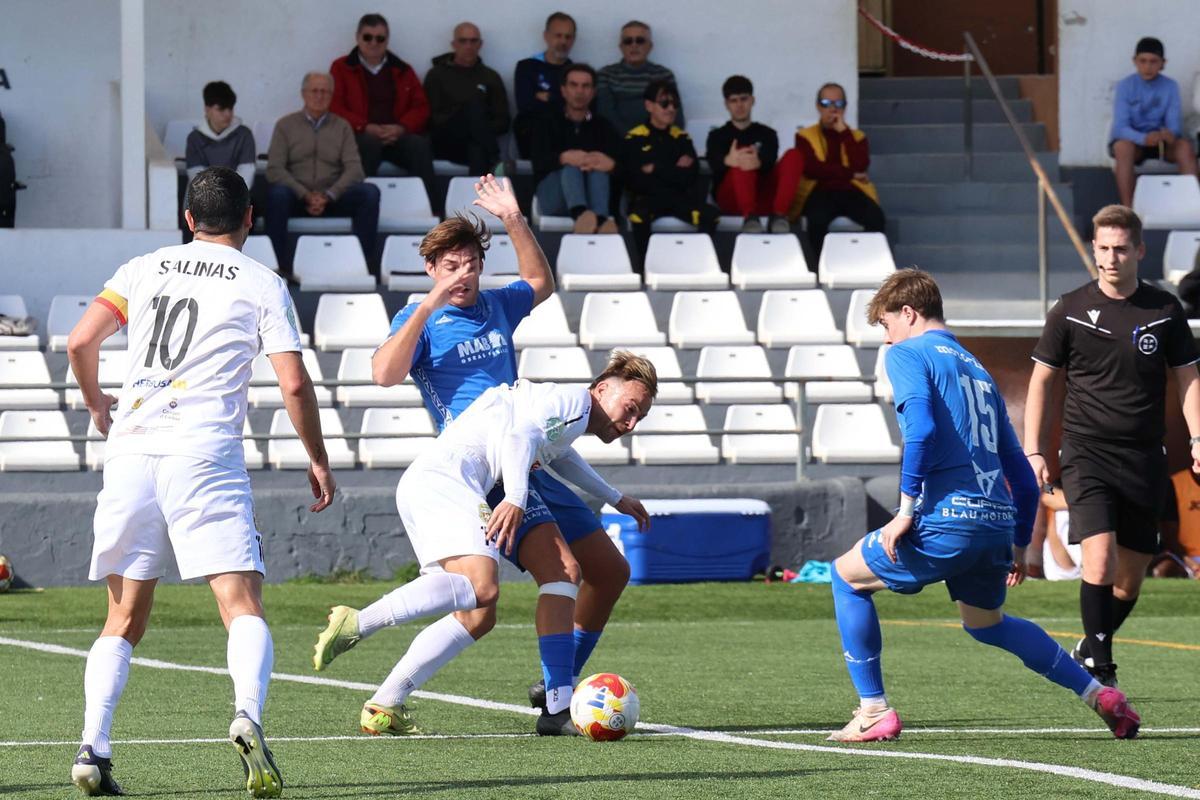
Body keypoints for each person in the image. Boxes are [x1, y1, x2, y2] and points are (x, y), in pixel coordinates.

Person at [314, 175, 651, 736]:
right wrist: (429, 304)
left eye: (470, 262)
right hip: (485, 469)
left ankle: (550, 686)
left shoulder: (497, 306)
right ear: (432, 268)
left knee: (607, 571)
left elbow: (539, 281)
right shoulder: (419, 320)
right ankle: (555, 705)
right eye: (451, 264)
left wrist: (514, 218)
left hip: (529, 458)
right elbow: (383, 374)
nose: (464, 273)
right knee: (504, 592)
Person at [66, 167, 337, 797]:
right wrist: (317, 457)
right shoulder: (262, 281)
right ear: (249, 220)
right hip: (203, 454)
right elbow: (293, 383)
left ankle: (92, 747)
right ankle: (247, 715)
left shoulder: (143, 267)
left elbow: (81, 341)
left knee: (123, 615)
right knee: (240, 600)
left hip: (132, 451)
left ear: (189, 219)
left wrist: (96, 402)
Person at [826, 268, 1140, 743]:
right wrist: (1017, 543)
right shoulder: (977, 368)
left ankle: (873, 710)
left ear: (908, 313)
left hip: (947, 519)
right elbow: (1021, 473)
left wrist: (906, 510)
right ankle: (1098, 693)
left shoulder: (910, 354)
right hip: (995, 523)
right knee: (985, 623)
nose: (887, 340)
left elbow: (923, 432)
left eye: (887, 326)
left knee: (846, 577)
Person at [1024, 204, 1200, 688]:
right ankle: (1102, 670)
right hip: (1087, 453)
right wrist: (1034, 450)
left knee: (1130, 579)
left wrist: (1199, 436)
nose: (1110, 258)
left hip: (1145, 457)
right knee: (1097, 559)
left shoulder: (1164, 310)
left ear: (1139, 251)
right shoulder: (1069, 310)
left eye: (1120, 248)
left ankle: (1092, 642)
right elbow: (1041, 381)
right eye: (1102, 249)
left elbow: (1188, 379)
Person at [265, 72, 380, 274]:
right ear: (303, 94)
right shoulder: (285, 125)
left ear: (331, 95)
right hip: (297, 197)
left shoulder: (342, 126)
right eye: (315, 91)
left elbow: (355, 169)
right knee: (276, 195)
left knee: (370, 193)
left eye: (325, 92)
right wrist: (305, 195)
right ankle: (277, 268)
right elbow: (275, 168)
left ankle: (362, 264)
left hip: (333, 197)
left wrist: (328, 195)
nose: (319, 96)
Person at [329, 13, 435, 199]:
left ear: (387, 40)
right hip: (360, 136)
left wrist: (401, 128)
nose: (373, 43)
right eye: (367, 37)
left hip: (395, 136)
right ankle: (362, 205)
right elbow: (335, 106)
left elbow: (421, 107)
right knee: (369, 145)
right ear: (357, 38)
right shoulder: (341, 67)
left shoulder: (403, 69)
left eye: (380, 38)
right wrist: (365, 127)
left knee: (419, 146)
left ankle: (432, 211)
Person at [621, 79, 718, 269]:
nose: (670, 108)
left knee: (711, 215)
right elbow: (636, 180)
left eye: (675, 104)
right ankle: (645, 269)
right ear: (649, 106)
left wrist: (655, 168)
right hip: (647, 199)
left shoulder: (682, 137)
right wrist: (673, 169)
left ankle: (698, 265)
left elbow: (690, 176)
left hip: (678, 198)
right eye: (664, 103)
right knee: (638, 215)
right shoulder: (634, 137)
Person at [789, 82, 885, 263]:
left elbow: (860, 165)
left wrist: (844, 134)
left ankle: (867, 263)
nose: (832, 109)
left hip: (850, 190)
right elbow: (812, 169)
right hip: (818, 191)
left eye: (838, 104)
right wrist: (850, 174)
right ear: (818, 106)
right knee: (816, 221)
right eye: (826, 103)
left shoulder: (856, 137)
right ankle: (824, 266)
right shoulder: (804, 136)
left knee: (876, 218)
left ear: (845, 107)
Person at [531, 64, 621, 234]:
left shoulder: (605, 127)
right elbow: (538, 163)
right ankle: (584, 216)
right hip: (554, 198)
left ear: (593, 92)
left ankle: (598, 219)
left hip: (593, 195)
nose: (579, 91)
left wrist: (611, 165)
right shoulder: (546, 122)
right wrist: (563, 158)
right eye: (574, 85)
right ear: (563, 90)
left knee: (598, 169)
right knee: (571, 167)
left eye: (586, 86)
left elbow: (626, 169)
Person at [705, 75, 800, 234]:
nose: (739, 105)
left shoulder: (768, 134)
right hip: (733, 198)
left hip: (764, 197)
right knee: (742, 159)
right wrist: (728, 160)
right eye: (734, 100)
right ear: (726, 104)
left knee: (794, 155)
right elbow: (713, 163)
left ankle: (779, 216)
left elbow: (770, 161)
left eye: (744, 99)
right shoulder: (717, 136)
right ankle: (749, 217)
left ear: (752, 100)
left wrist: (759, 162)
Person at [1110, 36, 1198, 208]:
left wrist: (1169, 135)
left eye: (1153, 61)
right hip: (1135, 142)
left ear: (1163, 63)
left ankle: (1192, 207)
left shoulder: (1170, 86)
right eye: (1143, 61)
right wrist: (1143, 138)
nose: (1147, 66)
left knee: (1185, 148)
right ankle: (1129, 209)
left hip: (1161, 143)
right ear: (1135, 61)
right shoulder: (1125, 86)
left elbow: (1174, 124)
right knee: (1122, 147)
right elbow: (1120, 128)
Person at [424, 22, 510, 176]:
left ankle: (475, 198)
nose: (468, 46)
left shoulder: (490, 77)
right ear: (454, 44)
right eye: (463, 41)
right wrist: (464, 118)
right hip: (446, 141)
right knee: (474, 106)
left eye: (473, 41)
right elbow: (431, 118)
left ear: (480, 44)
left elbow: (503, 121)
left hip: (477, 144)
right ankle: (494, 158)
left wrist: (477, 128)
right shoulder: (436, 75)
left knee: (477, 150)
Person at [596, 21, 684, 135]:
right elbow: (605, 115)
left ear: (650, 46)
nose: (634, 45)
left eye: (640, 40)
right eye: (628, 41)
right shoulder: (606, 75)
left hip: (658, 142)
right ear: (621, 47)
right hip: (617, 141)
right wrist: (634, 140)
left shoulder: (664, 75)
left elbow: (675, 116)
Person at [513, 11, 577, 159]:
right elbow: (524, 105)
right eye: (558, 35)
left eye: (568, 37)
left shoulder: (576, 72)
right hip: (532, 134)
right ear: (546, 36)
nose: (563, 42)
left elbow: (579, 107)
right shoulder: (526, 67)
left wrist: (547, 97)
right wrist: (561, 98)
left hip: (566, 134)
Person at [185, 81, 256, 191]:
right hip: (205, 195)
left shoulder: (244, 135)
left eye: (230, 108)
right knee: (190, 194)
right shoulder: (195, 138)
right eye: (221, 109)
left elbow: (247, 174)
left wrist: (229, 194)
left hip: (236, 194)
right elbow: (196, 177)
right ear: (207, 110)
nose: (228, 114)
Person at [1154, 468, 1200, 577]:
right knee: (1163, 571)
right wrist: (1194, 566)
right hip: (1185, 558)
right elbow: (1170, 537)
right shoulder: (1175, 483)